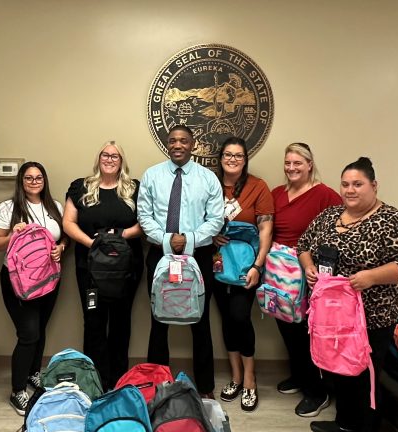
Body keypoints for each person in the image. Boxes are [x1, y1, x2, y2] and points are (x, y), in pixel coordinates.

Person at [298, 157, 398, 432]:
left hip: (373, 318)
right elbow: (304, 246)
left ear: (373, 185)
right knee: (338, 371)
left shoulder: (394, 220)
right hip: (333, 317)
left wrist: (373, 276)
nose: (350, 190)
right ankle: (345, 423)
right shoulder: (330, 216)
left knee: (365, 379)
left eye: (357, 184)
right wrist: (309, 268)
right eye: (345, 184)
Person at [137, 125, 224, 397]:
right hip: (160, 254)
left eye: (183, 141)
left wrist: (189, 240)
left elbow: (216, 218)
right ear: (167, 143)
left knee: (200, 321)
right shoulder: (151, 176)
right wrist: (167, 240)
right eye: (173, 140)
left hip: (198, 255)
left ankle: (206, 387)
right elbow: (144, 216)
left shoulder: (208, 178)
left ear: (192, 144)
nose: (178, 145)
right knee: (158, 320)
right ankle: (157, 383)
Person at [62, 141, 144, 390]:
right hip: (90, 268)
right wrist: (93, 244)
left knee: (121, 322)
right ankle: (95, 381)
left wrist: (119, 236)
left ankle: (118, 380)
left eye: (115, 156)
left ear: (122, 161)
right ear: (98, 158)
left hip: (125, 268)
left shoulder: (134, 189)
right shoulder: (81, 187)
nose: (109, 159)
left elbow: (146, 223)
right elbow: (68, 222)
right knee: (94, 322)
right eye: (105, 155)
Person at [0, 162, 67, 415]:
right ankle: (17, 390)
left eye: (38, 177)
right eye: (28, 178)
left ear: (44, 180)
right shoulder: (8, 208)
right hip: (18, 282)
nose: (34, 182)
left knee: (41, 329)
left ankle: (34, 374)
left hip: (49, 279)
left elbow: (64, 235)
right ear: (21, 181)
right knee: (28, 334)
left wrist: (62, 247)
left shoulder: (55, 206)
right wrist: (13, 234)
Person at [271, 142, 341, 417]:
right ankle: (299, 376)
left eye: (297, 163)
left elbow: (339, 231)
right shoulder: (277, 193)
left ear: (310, 164)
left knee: (306, 330)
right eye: (288, 163)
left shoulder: (324, 195)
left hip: (307, 271)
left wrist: (321, 267)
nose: (291, 168)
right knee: (285, 324)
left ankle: (317, 391)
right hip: (278, 271)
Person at [210, 136, 273, 412]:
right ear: (220, 158)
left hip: (247, 266)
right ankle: (235, 375)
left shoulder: (258, 187)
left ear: (245, 159)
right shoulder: (210, 184)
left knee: (240, 316)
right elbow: (199, 220)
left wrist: (258, 266)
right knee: (225, 319)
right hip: (216, 265)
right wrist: (211, 237)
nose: (232, 159)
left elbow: (266, 229)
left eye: (238, 155)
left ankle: (250, 378)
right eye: (228, 155)